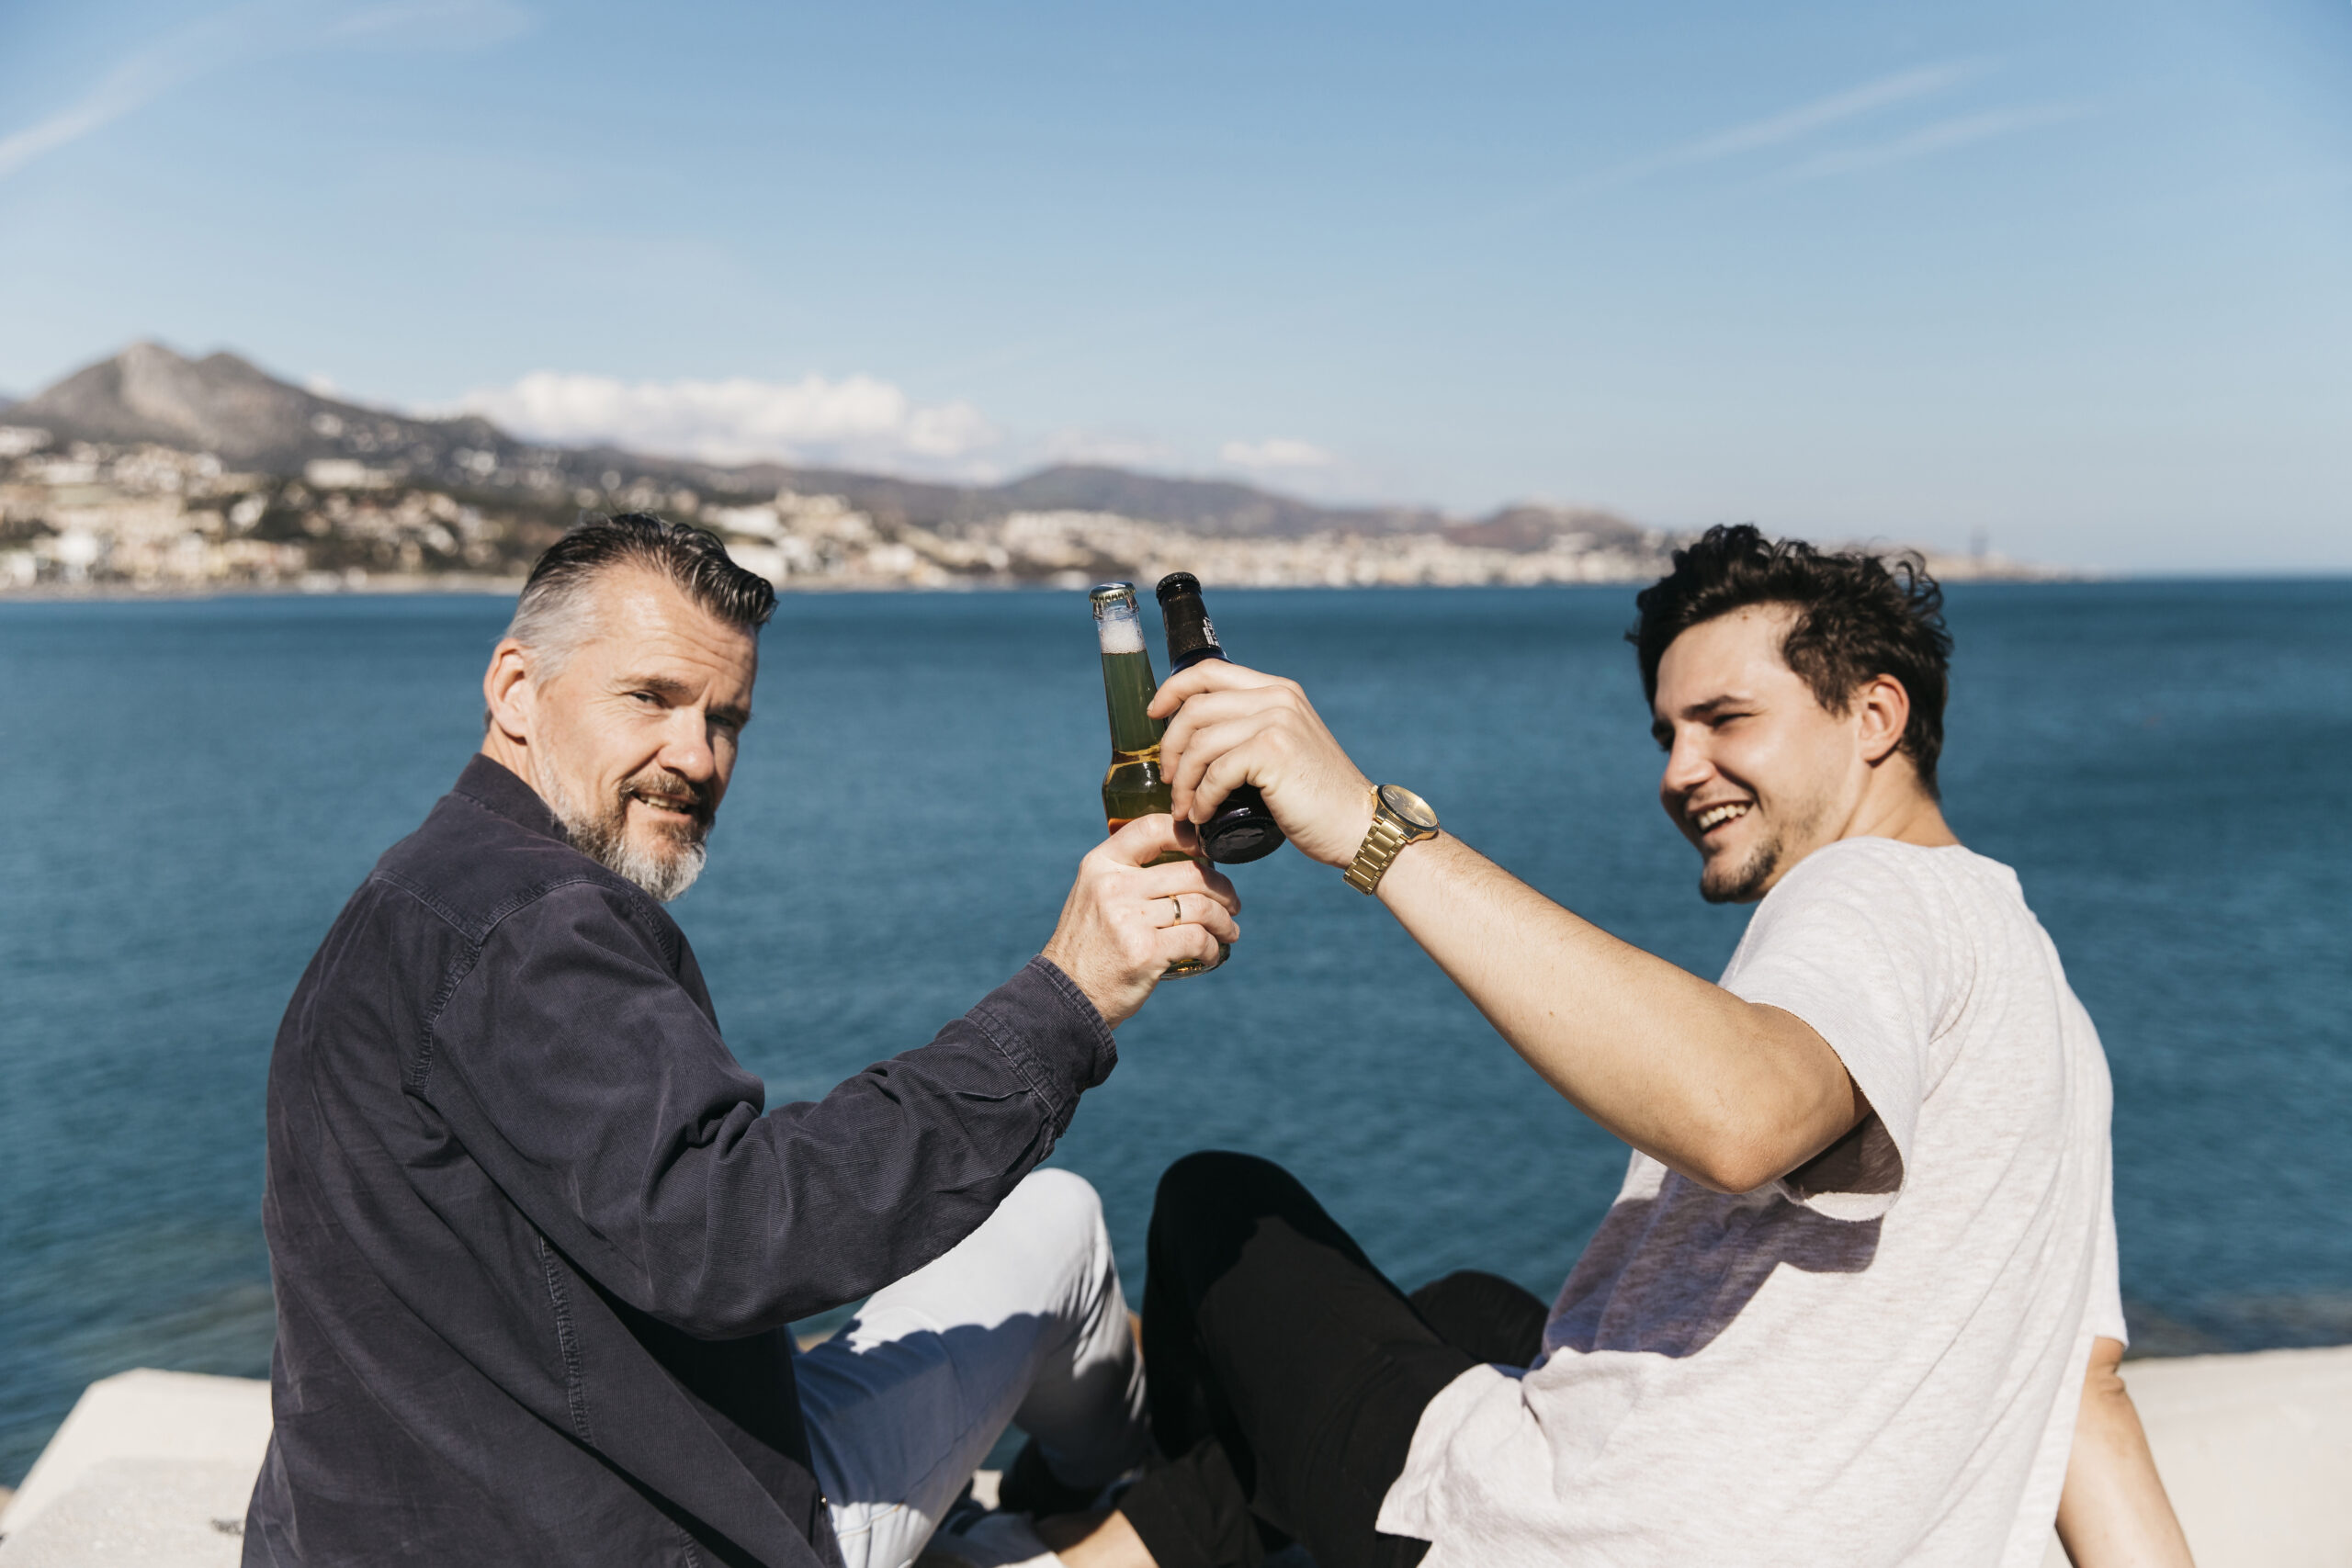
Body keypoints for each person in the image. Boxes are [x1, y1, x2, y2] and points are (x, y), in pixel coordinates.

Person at [1047, 527, 2193, 1568]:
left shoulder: (1868, 891)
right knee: (1471, 1312)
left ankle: (1121, 1533)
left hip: (1595, 1540)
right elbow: (2084, 1392)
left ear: (1875, 719)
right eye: (1667, 733)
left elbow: (1742, 1114)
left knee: (1220, 1208)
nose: (1678, 770)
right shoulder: (2032, 981)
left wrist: (1366, 826)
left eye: (1726, 720)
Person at [243, 514, 1241, 1568]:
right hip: (649, 1535)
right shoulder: (537, 925)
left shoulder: (423, 886)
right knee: (1064, 1226)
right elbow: (734, 1240)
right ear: (514, 691)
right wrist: (1068, 995)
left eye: (728, 720)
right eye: (651, 699)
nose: (696, 756)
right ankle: (1101, 1501)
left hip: (400, 1518)